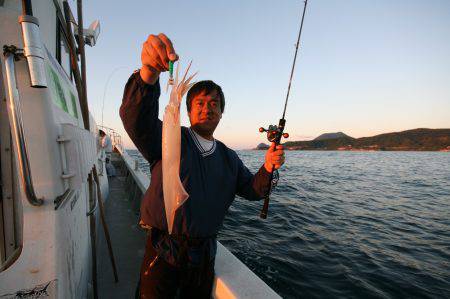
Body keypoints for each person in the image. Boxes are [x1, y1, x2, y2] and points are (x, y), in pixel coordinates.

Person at [120, 33, 286, 299]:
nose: (207, 108)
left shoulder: (229, 158)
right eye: (199, 103)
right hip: (164, 249)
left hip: (205, 254)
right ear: (188, 111)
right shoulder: (169, 138)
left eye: (214, 104)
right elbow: (136, 118)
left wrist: (267, 167)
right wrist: (148, 74)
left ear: (221, 113)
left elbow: (253, 190)